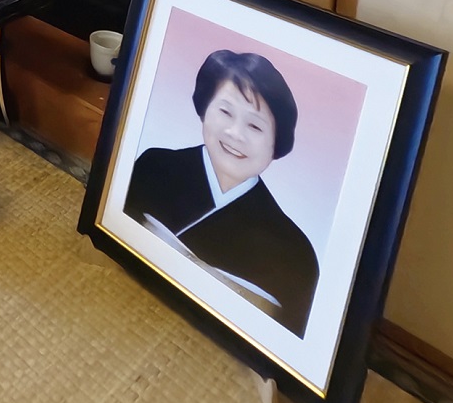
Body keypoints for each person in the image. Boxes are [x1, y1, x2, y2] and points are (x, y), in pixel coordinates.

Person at [123, 49, 320, 337]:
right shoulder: (155, 167)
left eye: (254, 125)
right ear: (204, 109)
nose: (235, 133)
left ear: (276, 143)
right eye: (225, 111)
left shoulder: (295, 252)